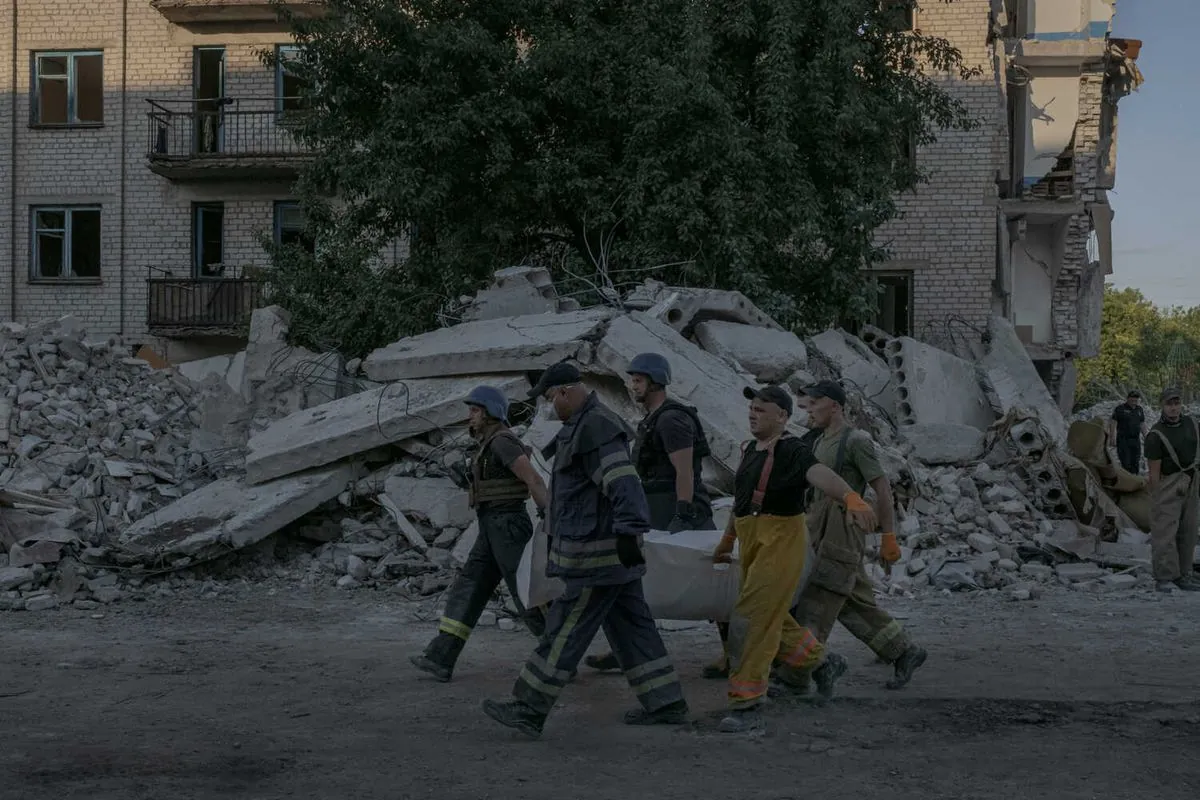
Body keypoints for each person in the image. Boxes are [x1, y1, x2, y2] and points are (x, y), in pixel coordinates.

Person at [482, 363, 689, 738]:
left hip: (597, 560)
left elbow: (623, 483)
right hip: (609, 559)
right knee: (633, 629)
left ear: (565, 392)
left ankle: (529, 707)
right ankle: (667, 702)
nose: (549, 408)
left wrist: (629, 532)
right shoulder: (586, 425)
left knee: (564, 629)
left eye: (549, 400)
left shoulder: (594, 427)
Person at [710, 384, 877, 734]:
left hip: (782, 543)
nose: (753, 413)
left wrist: (850, 497)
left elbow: (818, 474)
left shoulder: (792, 450)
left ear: (782, 417)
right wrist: (728, 540)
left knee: (753, 618)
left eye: (762, 409)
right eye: (752, 408)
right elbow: (740, 500)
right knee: (771, 617)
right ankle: (823, 662)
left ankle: (747, 703)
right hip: (752, 539)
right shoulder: (750, 450)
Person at [584, 352, 719, 674]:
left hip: (678, 508)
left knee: (714, 584)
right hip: (655, 506)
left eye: (638, 380)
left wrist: (683, 512)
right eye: (632, 380)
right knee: (636, 582)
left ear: (656, 381)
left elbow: (684, 471)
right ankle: (630, 647)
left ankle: (733, 654)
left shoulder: (672, 419)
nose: (633, 386)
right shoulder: (653, 418)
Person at [792, 380, 927, 691]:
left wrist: (889, 535)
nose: (808, 410)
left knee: (817, 600)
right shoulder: (816, 440)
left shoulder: (855, 441)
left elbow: (882, 488)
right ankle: (903, 651)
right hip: (816, 528)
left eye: (814, 403)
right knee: (853, 600)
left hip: (841, 532)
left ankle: (797, 675)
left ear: (835, 406)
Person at [410, 385, 549, 682]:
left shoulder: (503, 442)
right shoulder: (487, 446)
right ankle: (440, 657)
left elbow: (533, 479)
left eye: (475, 411)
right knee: (469, 587)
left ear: (491, 412)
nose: (469, 416)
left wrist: (549, 515)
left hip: (508, 527)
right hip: (492, 527)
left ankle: (560, 655)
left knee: (526, 594)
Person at [1144, 387, 1200, 593]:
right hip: (1169, 483)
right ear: (1162, 406)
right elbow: (1154, 471)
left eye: (1176, 403)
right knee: (1165, 531)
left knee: (1189, 530)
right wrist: (1157, 496)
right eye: (1169, 404)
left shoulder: (1192, 424)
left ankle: (1184, 574)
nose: (1174, 408)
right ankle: (1165, 577)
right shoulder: (1155, 435)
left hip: (1192, 481)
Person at [1109, 390, 1148, 474]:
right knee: (1126, 463)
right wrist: (1113, 437)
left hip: (1135, 440)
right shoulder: (1120, 409)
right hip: (1123, 440)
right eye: (1132, 400)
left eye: (1136, 401)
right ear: (1127, 399)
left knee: (1136, 462)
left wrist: (1146, 436)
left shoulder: (1139, 409)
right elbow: (1113, 423)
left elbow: (1142, 424)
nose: (1134, 402)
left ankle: (1135, 482)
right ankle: (1127, 482)